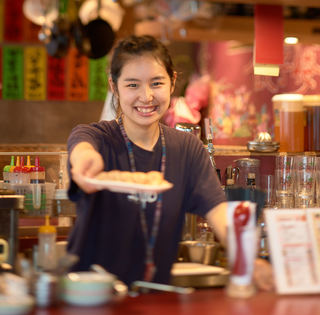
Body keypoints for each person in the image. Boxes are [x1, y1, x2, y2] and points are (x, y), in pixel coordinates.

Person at [66, 35, 273, 290]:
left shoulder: (187, 149)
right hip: (89, 296)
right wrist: (87, 163)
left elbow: (219, 213)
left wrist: (247, 261)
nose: (146, 96)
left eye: (156, 83)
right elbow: (82, 148)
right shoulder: (97, 137)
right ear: (113, 85)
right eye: (132, 85)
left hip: (156, 295)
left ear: (172, 81)